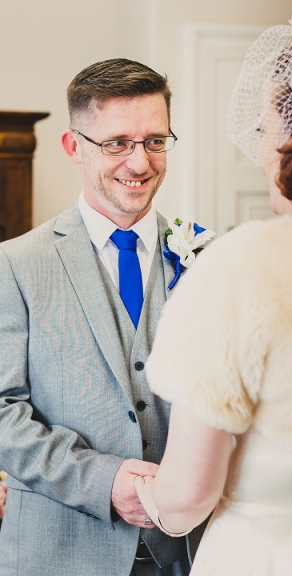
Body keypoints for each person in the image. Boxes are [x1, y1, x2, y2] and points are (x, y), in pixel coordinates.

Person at [131, 2, 292, 575]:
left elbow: (188, 493)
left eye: (267, 132)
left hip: (274, 553)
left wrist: (152, 498)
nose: (258, 154)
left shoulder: (246, 266)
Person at [0, 59, 203, 575]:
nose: (139, 162)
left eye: (155, 141)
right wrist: (103, 482)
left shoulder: (208, 256)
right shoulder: (16, 264)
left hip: (188, 553)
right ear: (74, 147)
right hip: (59, 553)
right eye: (117, 143)